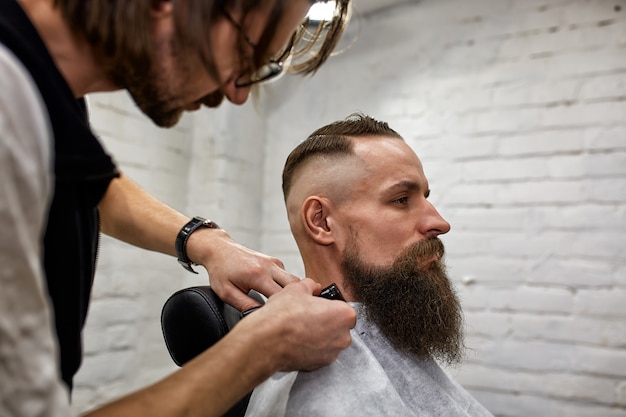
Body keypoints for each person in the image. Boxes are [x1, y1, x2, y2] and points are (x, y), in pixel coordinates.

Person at [0, 0, 357, 416]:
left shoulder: (46, 91)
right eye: (246, 53)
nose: (238, 93)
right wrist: (264, 348)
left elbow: (89, 180)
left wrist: (204, 241)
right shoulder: (9, 108)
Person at [243, 114, 494, 417]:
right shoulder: (319, 397)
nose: (439, 223)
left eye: (425, 197)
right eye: (401, 200)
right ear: (322, 222)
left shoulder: (388, 330)